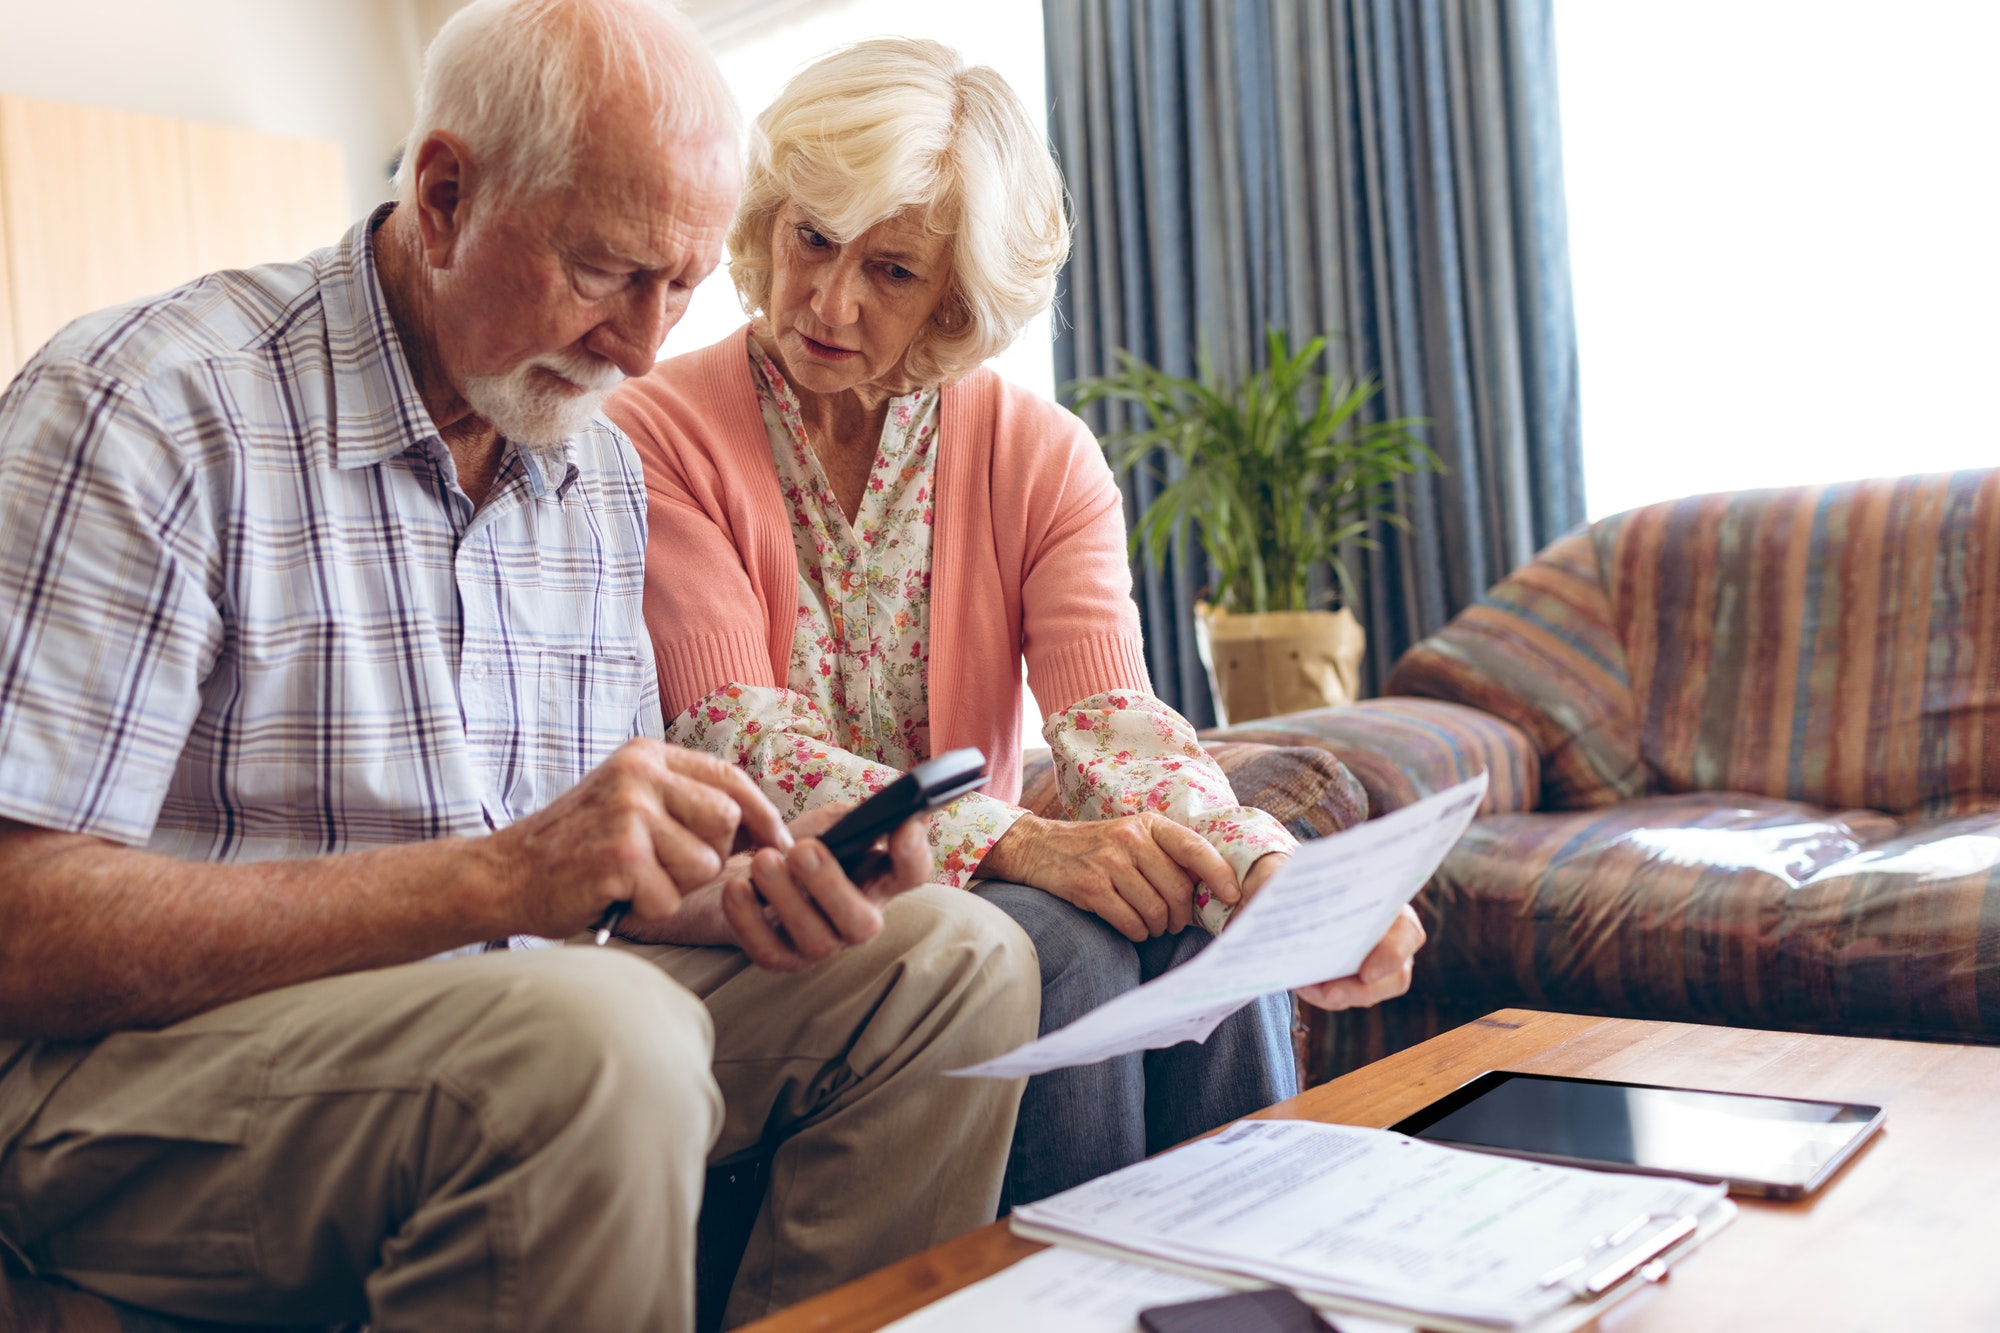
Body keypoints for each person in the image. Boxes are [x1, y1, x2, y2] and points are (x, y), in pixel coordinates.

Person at [0, 3, 1037, 1330]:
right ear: (442, 197)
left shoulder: (590, 461)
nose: (645, 348)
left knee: (950, 957)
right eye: (607, 272)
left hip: (504, 1010)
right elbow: (20, 926)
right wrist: (502, 877)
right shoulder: (148, 409)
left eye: (682, 286)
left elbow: (580, 880)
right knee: (600, 1040)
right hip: (117, 1086)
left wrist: (740, 894)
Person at [608, 37, 1426, 1210]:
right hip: (775, 906)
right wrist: (1020, 844)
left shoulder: (1040, 456)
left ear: (953, 295)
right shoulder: (654, 433)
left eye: (890, 271)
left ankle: (1266, 1262)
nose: (830, 301)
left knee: (1211, 933)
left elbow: (1113, 726)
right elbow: (742, 743)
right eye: (812, 240)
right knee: (1075, 942)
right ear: (768, 217)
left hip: (975, 894)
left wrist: (1275, 882)